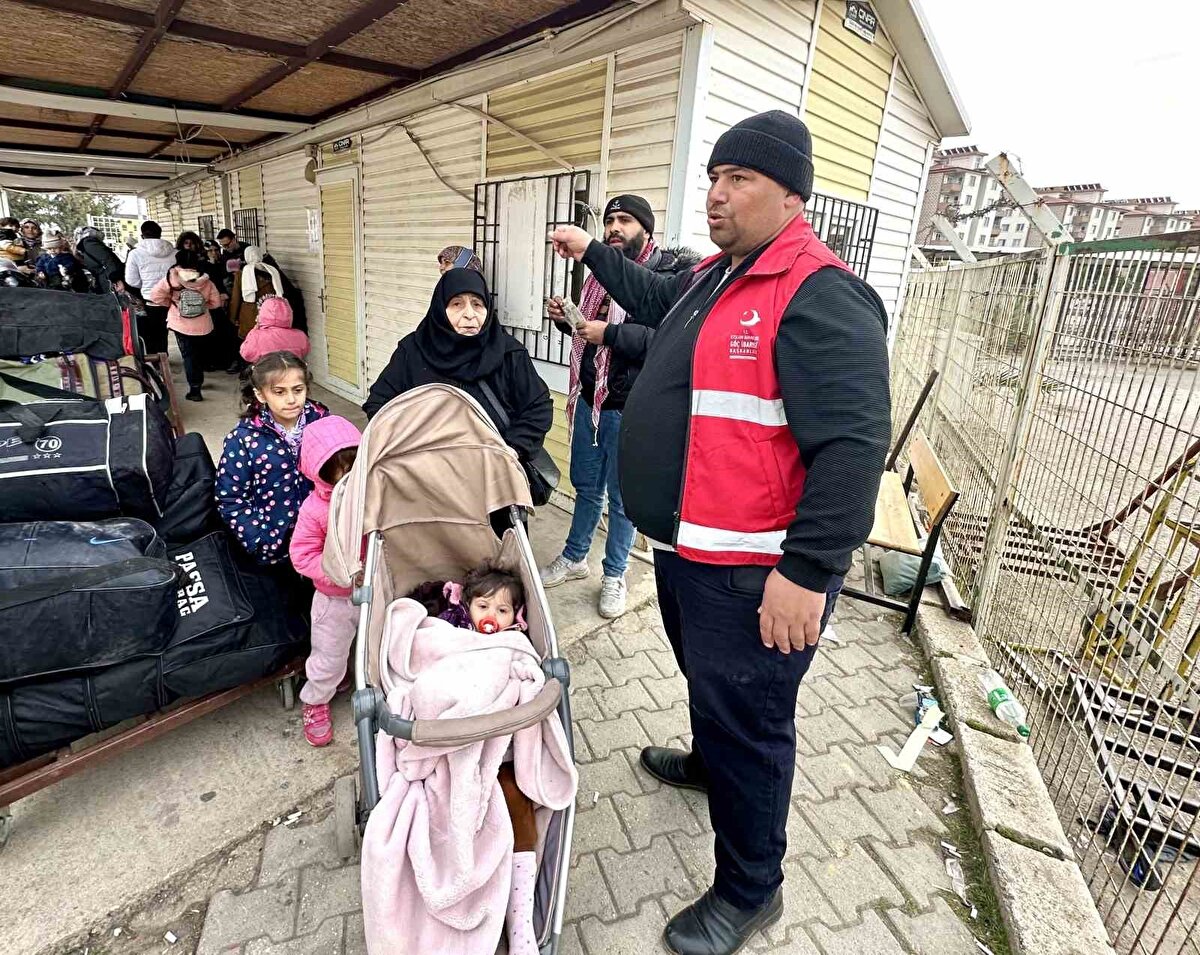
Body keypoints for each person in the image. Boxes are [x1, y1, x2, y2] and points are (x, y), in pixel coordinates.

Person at [549, 110, 891, 955]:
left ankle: (751, 889)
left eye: (739, 180)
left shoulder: (820, 292)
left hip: (755, 575)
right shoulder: (719, 276)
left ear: (791, 194)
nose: (717, 194)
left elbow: (853, 448)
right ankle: (709, 760)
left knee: (755, 725)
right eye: (713, 177)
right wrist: (593, 252)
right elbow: (653, 296)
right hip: (692, 551)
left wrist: (808, 573)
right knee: (715, 695)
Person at [539, 194, 699, 618]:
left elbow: (665, 342)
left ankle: (614, 574)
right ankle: (575, 557)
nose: (614, 228)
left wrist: (609, 335)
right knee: (587, 488)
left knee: (623, 499)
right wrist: (567, 319)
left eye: (625, 220)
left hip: (633, 408)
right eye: (609, 220)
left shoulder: (670, 275)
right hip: (591, 401)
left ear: (646, 229)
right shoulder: (598, 277)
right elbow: (589, 331)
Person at [362, 268, 553, 467]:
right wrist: (408, 447)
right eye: (456, 304)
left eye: (477, 304)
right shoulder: (413, 351)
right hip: (427, 477)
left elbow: (538, 407)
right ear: (440, 308)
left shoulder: (509, 353)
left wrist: (512, 449)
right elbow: (379, 404)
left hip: (493, 475)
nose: (469, 314)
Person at [214, 351, 330, 567]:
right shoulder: (244, 439)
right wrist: (259, 539)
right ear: (260, 395)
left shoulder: (324, 424)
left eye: (298, 390)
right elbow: (230, 497)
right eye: (279, 392)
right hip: (274, 548)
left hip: (323, 541)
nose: (291, 399)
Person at [288, 414, 362, 748]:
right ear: (320, 471)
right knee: (329, 656)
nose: (350, 476)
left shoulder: (371, 499)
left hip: (374, 593)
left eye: (355, 465)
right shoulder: (315, 510)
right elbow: (302, 556)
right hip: (334, 599)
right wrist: (336, 569)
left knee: (376, 647)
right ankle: (315, 700)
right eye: (340, 469)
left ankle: (361, 679)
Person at [148, 250, 222, 401]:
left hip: (180, 323)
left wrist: (172, 304)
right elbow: (216, 303)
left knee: (188, 356)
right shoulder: (206, 280)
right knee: (199, 354)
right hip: (203, 324)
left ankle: (195, 390)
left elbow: (155, 296)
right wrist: (202, 306)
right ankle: (199, 380)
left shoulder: (171, 279)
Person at [124, 221, 177, 355]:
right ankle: (164, 356)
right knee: (165, 331)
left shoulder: (135, 254)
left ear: (142, 236)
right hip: (173, 299)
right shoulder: (175, 252)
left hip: (151, 300)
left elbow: (131, 280)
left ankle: (157, 363)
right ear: (160, 234)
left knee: (152, 333)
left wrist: (147, 286)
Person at [240, 296, 310, 364]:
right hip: (293, 373)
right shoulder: (300, 335)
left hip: (267, 374)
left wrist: (253, 331)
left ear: (262, 314)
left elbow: (246, 354)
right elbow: (305, 351)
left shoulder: (257, 336)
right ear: (289, 314)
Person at [74, 226, 126, 293]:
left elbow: (105, 260)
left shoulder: (86, 245)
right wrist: (116, 280)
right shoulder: (89, 243)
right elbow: (107, 259)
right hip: (109, 280)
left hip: (106, 280)